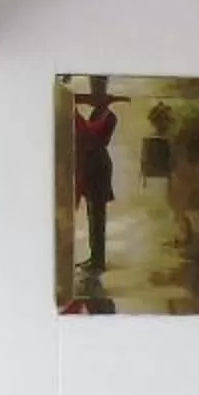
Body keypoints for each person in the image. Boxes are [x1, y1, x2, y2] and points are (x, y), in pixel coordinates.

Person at [68, 75, 124, 273]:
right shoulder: (96, 113)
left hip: (99, 169)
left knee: (98, 217)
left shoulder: (110, 117)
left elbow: (94, 135)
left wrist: (76, 116)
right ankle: (95, 257)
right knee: (93, 216)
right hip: (91, 167)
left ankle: (98, 261)